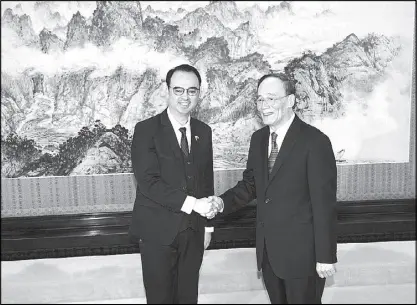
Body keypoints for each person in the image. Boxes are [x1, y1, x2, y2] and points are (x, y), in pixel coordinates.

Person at [208, 73, 338, 304]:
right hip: (268, 255)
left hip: (303, 258)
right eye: (260, 100)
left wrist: (325, 256)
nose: (264, 106)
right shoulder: (258, 139)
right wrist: (221, 203)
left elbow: (324, 204)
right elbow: (250, 185)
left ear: (290, 101)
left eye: (271, 99)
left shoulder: (315, 142)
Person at [128, 64, 219, 304]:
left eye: (192, 91)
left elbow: (206, 179)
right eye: (178, 90)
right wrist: (193, 204)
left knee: (188, 298)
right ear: (166, 91)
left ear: (199, 94)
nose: (185, 97)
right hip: (157, 232)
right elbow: (148, 183)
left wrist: (208, 226)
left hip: (194, 231)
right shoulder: (145, 130)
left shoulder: (204, 131)